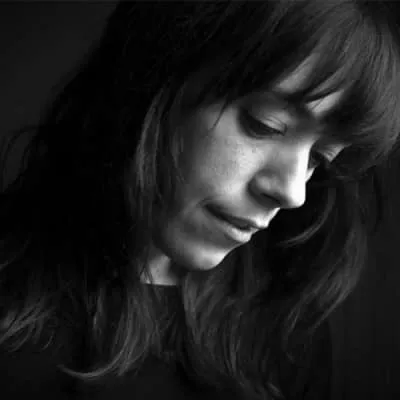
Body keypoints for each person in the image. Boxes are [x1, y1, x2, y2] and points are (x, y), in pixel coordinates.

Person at [0, 1, 400, 399]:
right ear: (152, 76)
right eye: (264, 125)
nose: (293, 192)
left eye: (318, 158)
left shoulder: (284, 330)